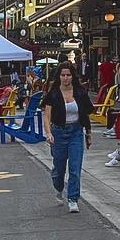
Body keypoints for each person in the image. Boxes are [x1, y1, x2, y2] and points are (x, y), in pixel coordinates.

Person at [42, 60, 92, 213]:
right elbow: (47, 116)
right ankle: (58, 187)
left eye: (68, 75)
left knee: (75, 168)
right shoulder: (54, 93)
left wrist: (88, 133)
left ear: (72, 76)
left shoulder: (80, 92)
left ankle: (73, 199)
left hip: (76, 132)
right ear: (59, 76)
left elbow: (85, 114)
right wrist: (48, 132)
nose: (65, 78)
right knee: (59, 169)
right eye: (63, 75)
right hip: (58, 132)